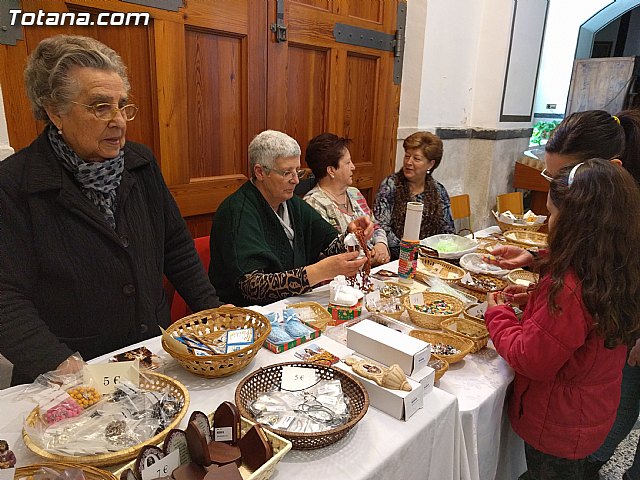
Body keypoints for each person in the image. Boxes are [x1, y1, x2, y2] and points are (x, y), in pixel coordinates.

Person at [0, 35, 221, 386]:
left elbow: (176, 246)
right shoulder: (14, 184)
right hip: (66, 372)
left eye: (122, 105)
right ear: (55, 112)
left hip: (148, 355)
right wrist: (63, 367)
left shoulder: (140, 162)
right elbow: (6, 298)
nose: (119, 120)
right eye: (100, 107)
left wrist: (213, 312)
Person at [487, 109, 640, 479]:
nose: (548, 223)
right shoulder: (612, 249)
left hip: (559, 424)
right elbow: (580, 317)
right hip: (585, 415)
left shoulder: (572, 285)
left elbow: (534, 357)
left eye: (554, 215)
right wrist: (539, 284)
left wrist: (499, 315)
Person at [209, 130, 372, 307]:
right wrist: (318, 271)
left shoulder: (292, 203)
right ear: (260, 172)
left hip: (294, 305)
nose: (295, 180)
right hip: (248, 314)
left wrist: (352, 235)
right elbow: (252, 287)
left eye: (297, 171)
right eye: (287, 173)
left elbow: (332, 246)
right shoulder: (237, 212)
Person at [303, 133, 390, 266]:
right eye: (348, 163)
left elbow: (375, 225)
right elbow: (324, 254)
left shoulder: (354, 193)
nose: (353, 167)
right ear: (331, 170)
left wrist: (381, 244)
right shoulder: (313, 204)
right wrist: (367, 260)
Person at [373, 131, 454, 260]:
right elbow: (381, 227)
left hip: (431, 258)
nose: (408, 162)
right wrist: (411, 252)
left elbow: (448, 231)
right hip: (397, 259)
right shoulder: (390, 185)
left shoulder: (439, 190)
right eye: (407, 156)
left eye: (416, 159)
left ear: (431, 164)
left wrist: (432, 252)